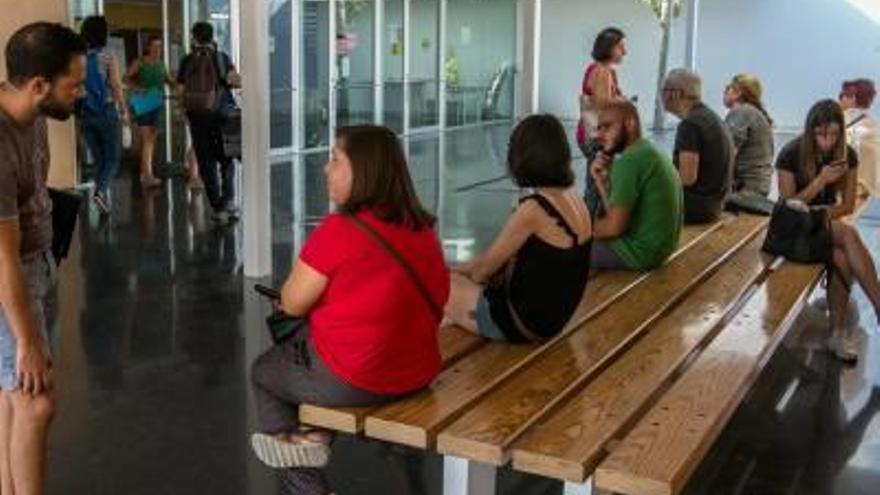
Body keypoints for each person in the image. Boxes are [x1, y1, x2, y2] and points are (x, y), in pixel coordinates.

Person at [249, 125, 448, 493]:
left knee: (265, 373)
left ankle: (307, 474)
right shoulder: (422, 228)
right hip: (419, 371)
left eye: (335, 159)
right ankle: (316, 435)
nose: (326, 168)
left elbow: (292, 302)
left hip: (359, 379)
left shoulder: (340, 230)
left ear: (365, 170)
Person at [0, 22, 86, 495]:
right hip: (9, 278)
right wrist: (27, 339)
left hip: (32, 265)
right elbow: (2, 259)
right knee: (35, 403)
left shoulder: (29, 116)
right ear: (39, 86)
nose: (81, 92)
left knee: (13, 399)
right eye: (74, 83)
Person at [445, 115, 592, 342]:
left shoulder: (534, 210)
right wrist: (455, 269)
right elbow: (492, 261)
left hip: (521, 324)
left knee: (437, 287)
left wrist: (450, 274)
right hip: (552, 322)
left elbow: (482, 271)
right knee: (449, 279)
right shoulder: (576, 202)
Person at [775, 99, 880, 364]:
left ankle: (836, 334)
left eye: (834, 134)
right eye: (821, 134)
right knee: (847, 234)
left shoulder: (847, 156)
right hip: (790, 232)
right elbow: (788, 207)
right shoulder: (790, 153)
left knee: (842, 257)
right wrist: (821, 181)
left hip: (820, 227)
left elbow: (846, 205)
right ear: (811, 132)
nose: (827, 141)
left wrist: (818, 214)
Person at [589, 101, 683, 270]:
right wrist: (602, 182)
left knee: (556, 247)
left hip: (639, 254)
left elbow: (613, 228)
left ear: (630, 124)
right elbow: (615, 216)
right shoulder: (647, 151)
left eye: (607, 127)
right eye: (599, 128)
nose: (600, 135)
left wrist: (577, 228)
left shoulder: (630, 161)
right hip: (660, 251)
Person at [177, 23, 240, 224]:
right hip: (223, 115)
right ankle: (229, 200)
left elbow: (180, 91)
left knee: (206, 162)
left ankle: (218, 207)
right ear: (212, 37)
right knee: (227, 159)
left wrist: (184, 111)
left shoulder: (187, 60)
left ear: (194, 38)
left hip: (198, 117)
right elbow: (235, 81)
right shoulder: (222, 58)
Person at [663, 68, 734, 224]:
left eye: (664, 90)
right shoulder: (710, 117)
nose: (661, 96)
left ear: (675, 94)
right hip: (714, 206)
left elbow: (687, 178)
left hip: (696, 209)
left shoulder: (690, 124)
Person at [78, 16, 129, 215]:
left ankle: (102, 200)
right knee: (113, 158)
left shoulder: (78, 56)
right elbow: (116, 85)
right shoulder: (107, 55)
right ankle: (100, 192)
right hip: (106, 112)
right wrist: (124, 110)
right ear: (103, 33)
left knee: (101, 160)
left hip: (85, 113)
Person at [576, 27, 627, 213]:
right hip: (597, 138)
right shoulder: (602, 72)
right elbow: (605, 109)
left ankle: (588, 226)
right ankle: (589, 227)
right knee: (597, 186)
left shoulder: (599, 70)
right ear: (609, 47)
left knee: (595, 183)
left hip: (590, 135)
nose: (625, 52)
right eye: (621, 47)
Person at [125, 35, 175, 189]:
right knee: (147, 140)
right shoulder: (140, 62)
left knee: (151, 140)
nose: (157, 49)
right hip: (144, 101)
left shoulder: (161, 64)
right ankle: (146, 175)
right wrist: (139, 89)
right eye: (154, 46)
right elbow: (125, 78)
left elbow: (168, 81)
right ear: (148, 47)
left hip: (157, 102)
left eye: (159, 46)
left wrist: (179, 86)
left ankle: (146, 174)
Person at [722, 73, 774, 208]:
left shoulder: (741, 111)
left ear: (737, 92)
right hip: (757, 188)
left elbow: (726, 154)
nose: (724, 92)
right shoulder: (755, 113)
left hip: (745, 191)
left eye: (728, 88)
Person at [840, 79, 879, 196]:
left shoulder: (839, 120)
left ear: (852, 98)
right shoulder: (875, 127)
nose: (840, 100)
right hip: (864, 191)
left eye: (842, 96)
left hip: (839, 191)